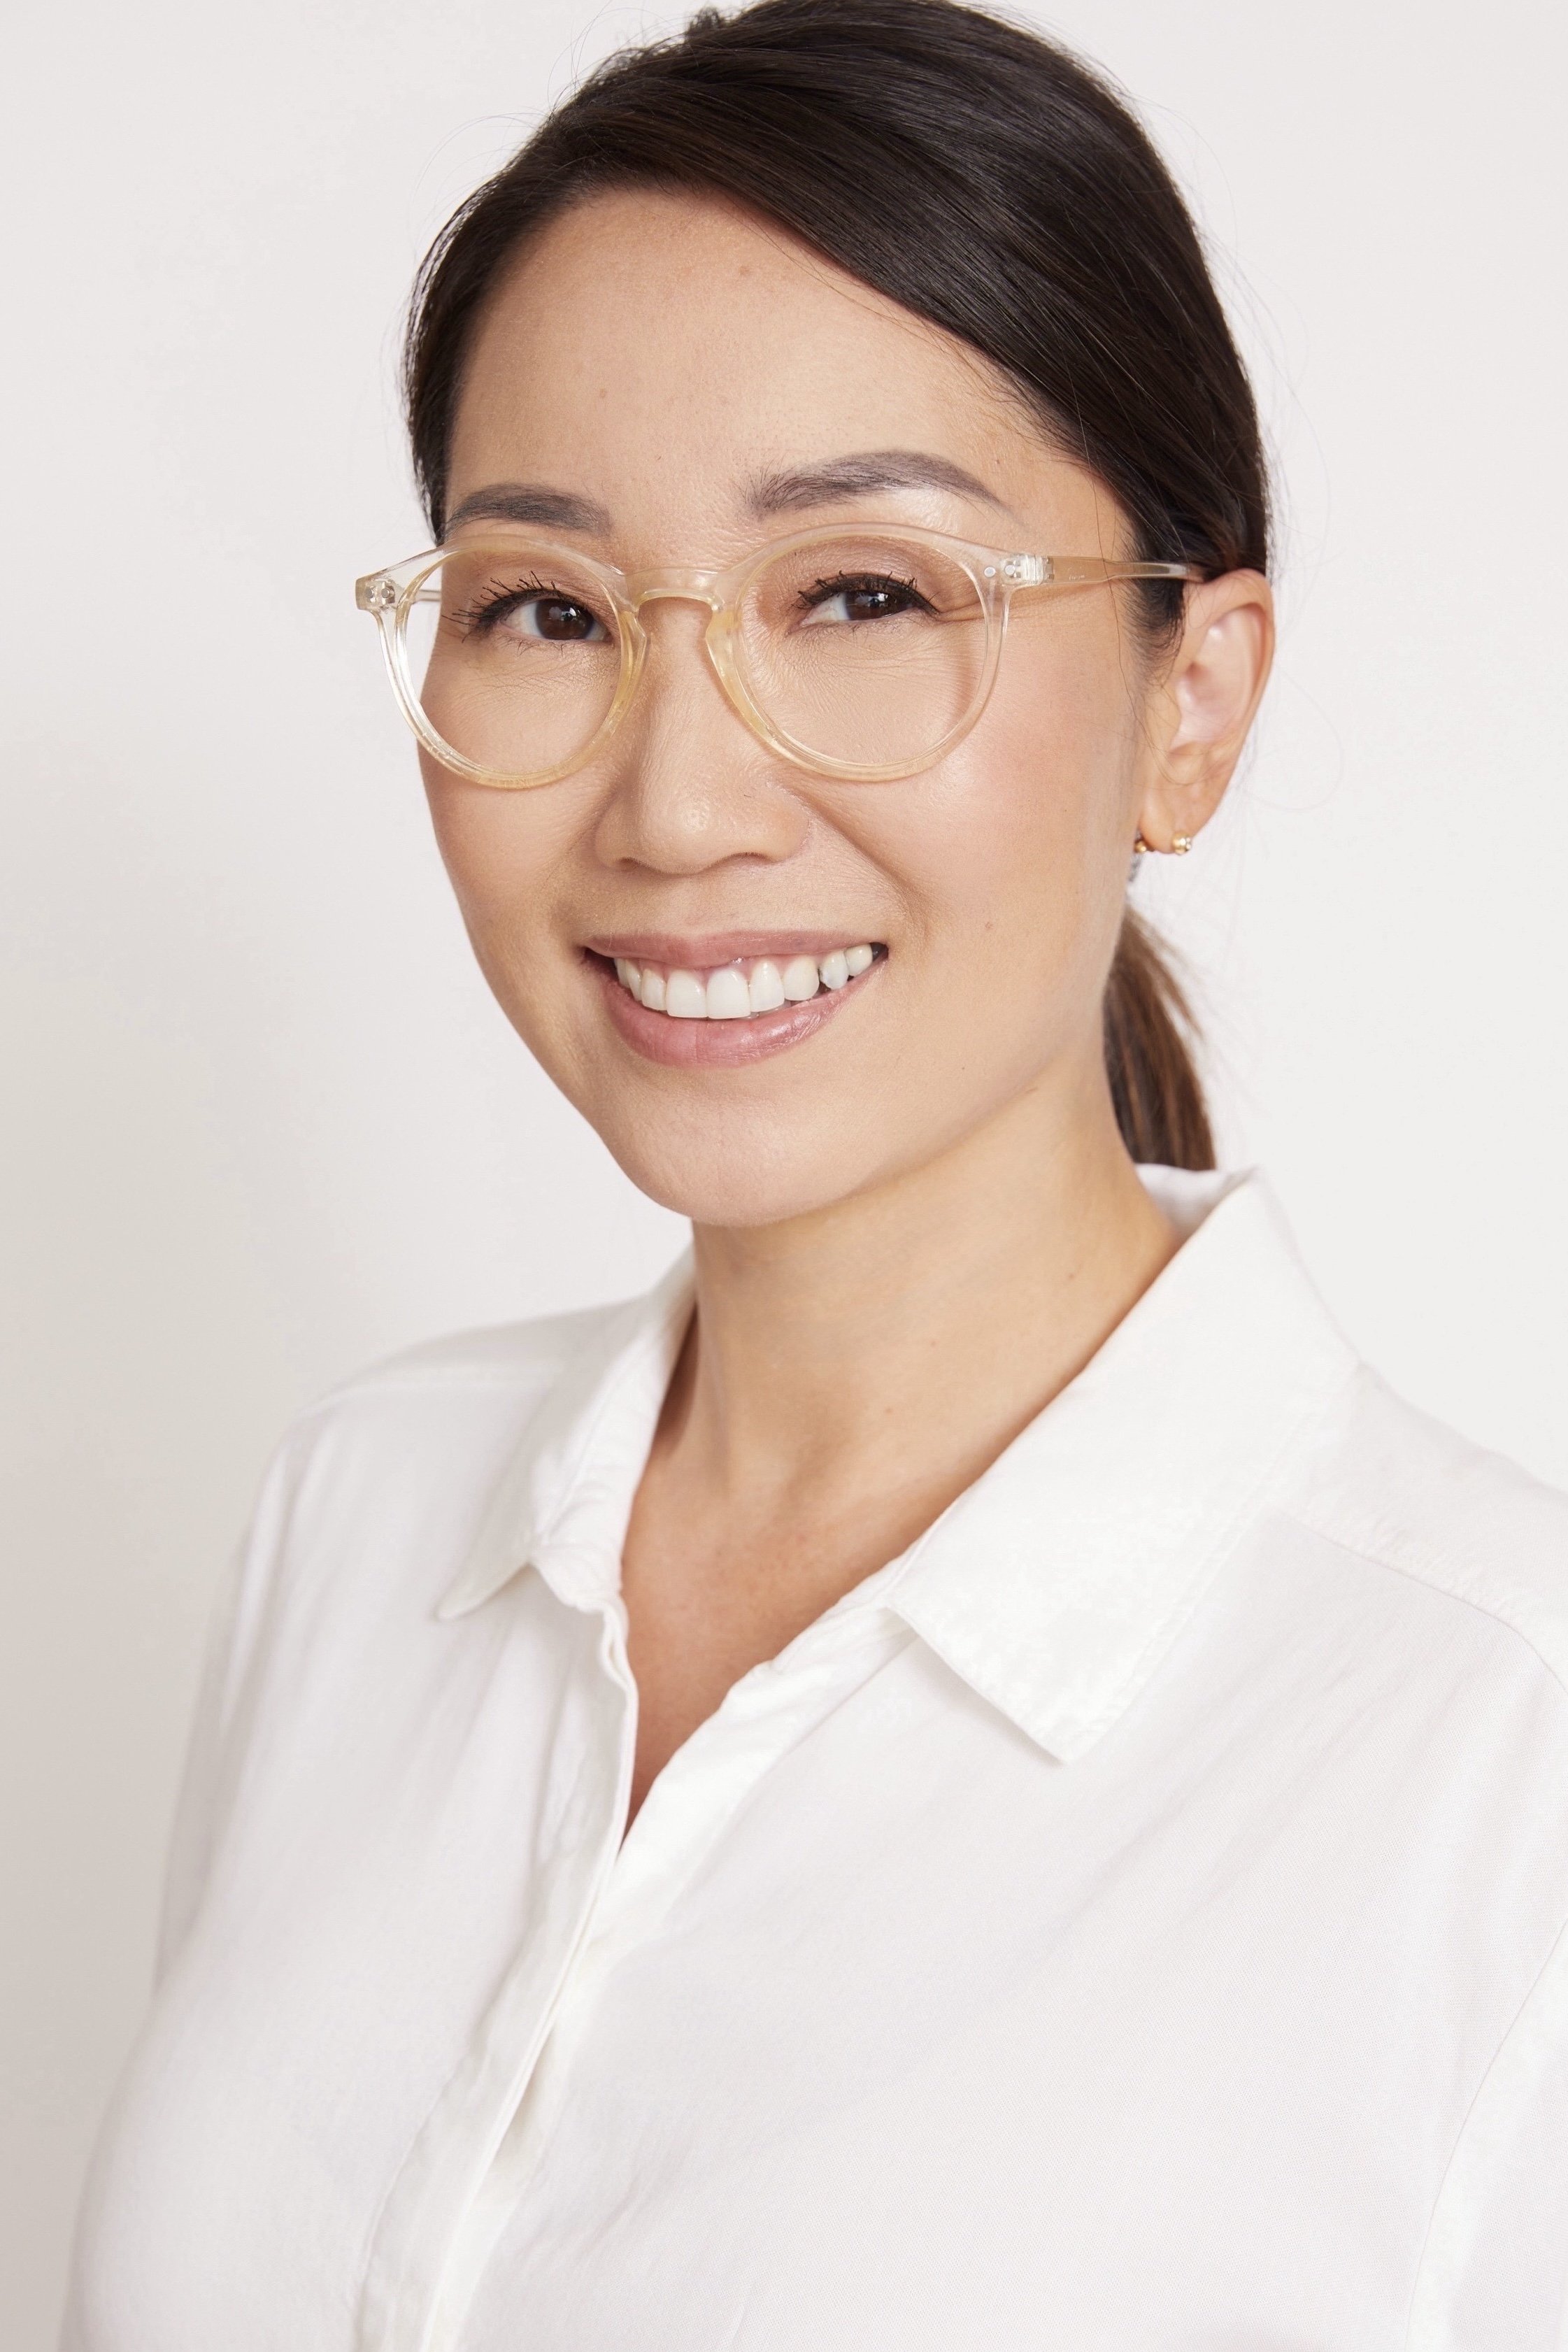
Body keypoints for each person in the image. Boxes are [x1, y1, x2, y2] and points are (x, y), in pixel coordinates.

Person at [64, 2, 1568, 2345]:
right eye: (547, 610)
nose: (676, 804)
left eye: (863, 597)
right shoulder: (360, 1523)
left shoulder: (1501, 1771)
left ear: (1199, 694)